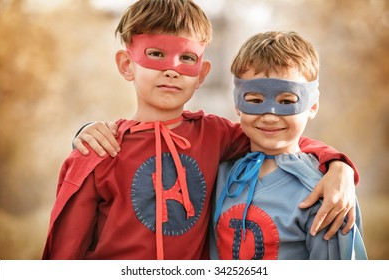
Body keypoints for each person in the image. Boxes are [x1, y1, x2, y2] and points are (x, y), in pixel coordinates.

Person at [43, 0, 358, 260]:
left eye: (187, 58)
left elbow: (275, 136)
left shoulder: (214, 135)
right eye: (155, 54)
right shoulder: (98, 151)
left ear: (202, 73)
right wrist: (85, 131)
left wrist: (338, 166)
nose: (172, 69)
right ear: (127, 64)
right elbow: (63, 253)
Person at [210, 31, 367, 260]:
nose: (270, 115)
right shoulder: (218, 173)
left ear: (312, 105)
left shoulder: (326, 194)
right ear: (237, 104)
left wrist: (340, 167)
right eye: (255, 101)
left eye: (287, 101)